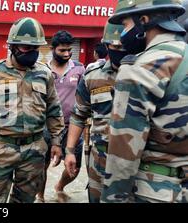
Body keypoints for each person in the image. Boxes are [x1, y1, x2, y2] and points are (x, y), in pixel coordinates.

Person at [102, 0, 188, 203]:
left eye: (125, 25)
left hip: (155, 188)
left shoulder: (140, 68)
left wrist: (114, 198)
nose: (122, 35)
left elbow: (124, 150)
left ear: (143, 20)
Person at [0, 17, 64, 203]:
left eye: (35, 48)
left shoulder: (44, 74)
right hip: (2, 149)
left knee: (25, 200)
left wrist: (56, 142)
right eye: (25, 47)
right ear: (12, 46)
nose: (31, 52)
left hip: (35, 150)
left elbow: (54, 109)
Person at [64, 22, 127, 203]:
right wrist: (69, 151)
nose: (120, 50)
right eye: (115, 46)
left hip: (135, 163)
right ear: (106, 46)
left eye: (125, 46)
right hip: (99, 160)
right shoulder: (92, 76)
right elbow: (78, 115)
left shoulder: (148, 75)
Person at [37, 30, 86, 203]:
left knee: (76, 166)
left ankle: (59, 187)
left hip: (72, 126)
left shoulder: (80, 69)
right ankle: (40, 197)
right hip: (46, 126)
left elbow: (85, 99)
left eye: (69, 50)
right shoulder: (41, 70)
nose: (66, 54)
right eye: (62, 51)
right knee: (41, 165)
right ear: (52, 49)